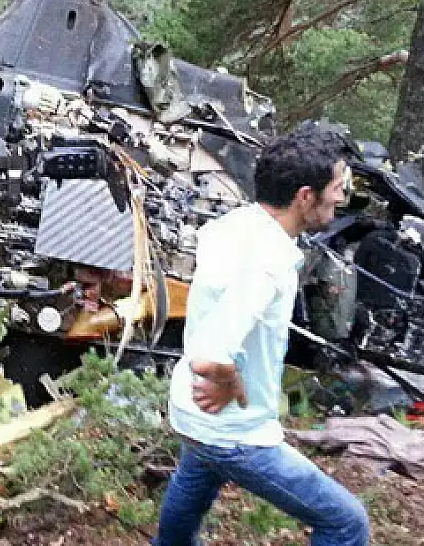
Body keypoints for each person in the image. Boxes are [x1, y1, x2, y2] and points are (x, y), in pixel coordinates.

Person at [154, 130, 369, 546]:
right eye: (339, 189)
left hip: (192, 412)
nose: (343, 198)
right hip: (235, 433)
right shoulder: (268, 262)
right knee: (346, 523)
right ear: (305, 196)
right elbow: (212, 355)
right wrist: (230, 380)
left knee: (195, 478)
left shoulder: (236, 224)